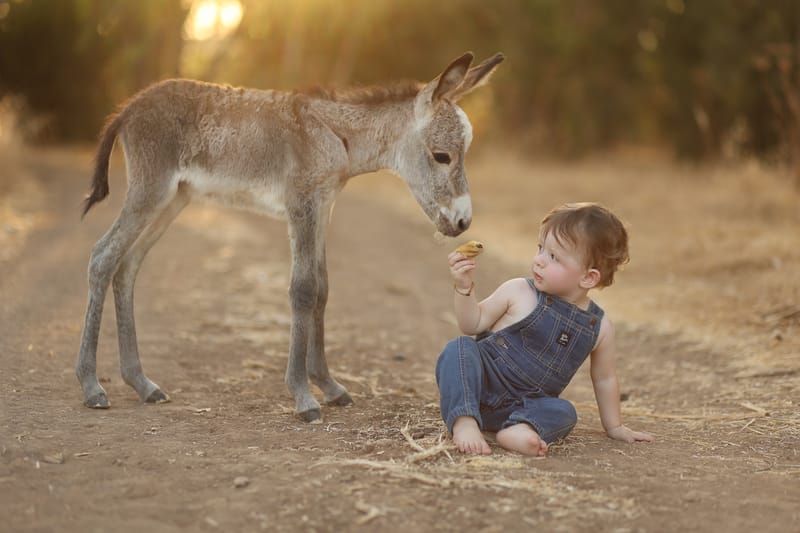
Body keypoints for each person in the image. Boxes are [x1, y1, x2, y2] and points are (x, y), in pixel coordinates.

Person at [436, 202, 654, 456]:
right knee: (459, 349)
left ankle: (521, 429)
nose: (539, 260)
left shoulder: (600, 327)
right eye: (540, 248)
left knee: (565, 411)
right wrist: (464, 287)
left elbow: (605, 378)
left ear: (588, 278)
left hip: (525, 405)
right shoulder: (518, 290)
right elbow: (471, 324)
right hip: (476, 383)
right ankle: (464, 422)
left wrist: (614, 426)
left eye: (553, 257)